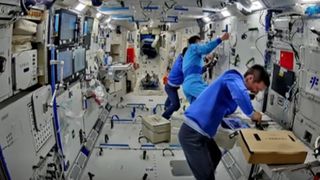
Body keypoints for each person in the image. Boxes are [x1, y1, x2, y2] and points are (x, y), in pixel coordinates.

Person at [178, 65, 270, 180]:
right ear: (250, 78)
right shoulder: (233, 77)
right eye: (258, 88)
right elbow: (240, 94)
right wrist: (251, 113)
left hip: (203, 134)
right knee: (206, 176)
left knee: (215, 156)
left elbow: (227, 109)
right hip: (192, 133)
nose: (256, 92)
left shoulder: (233, 88)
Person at [182, 33, 230, 103]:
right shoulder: (193, 47)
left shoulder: (189, 54)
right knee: (214, 96)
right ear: (196, 42)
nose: (201, 44)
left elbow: (194, 67)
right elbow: (206, 49)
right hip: (193, 83)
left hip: (188, 84)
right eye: (200, 43)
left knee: (198, 109)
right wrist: (221, 39)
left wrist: (206, 58)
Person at [162, 47, 188, 120]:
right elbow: (190, 72)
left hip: (172, 86)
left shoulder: (180, 57)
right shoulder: (181, 65)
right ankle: (163, 118)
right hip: (170, 87)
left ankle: (166, 106)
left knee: (172, 99)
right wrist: (206, 67)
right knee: (176, 105)